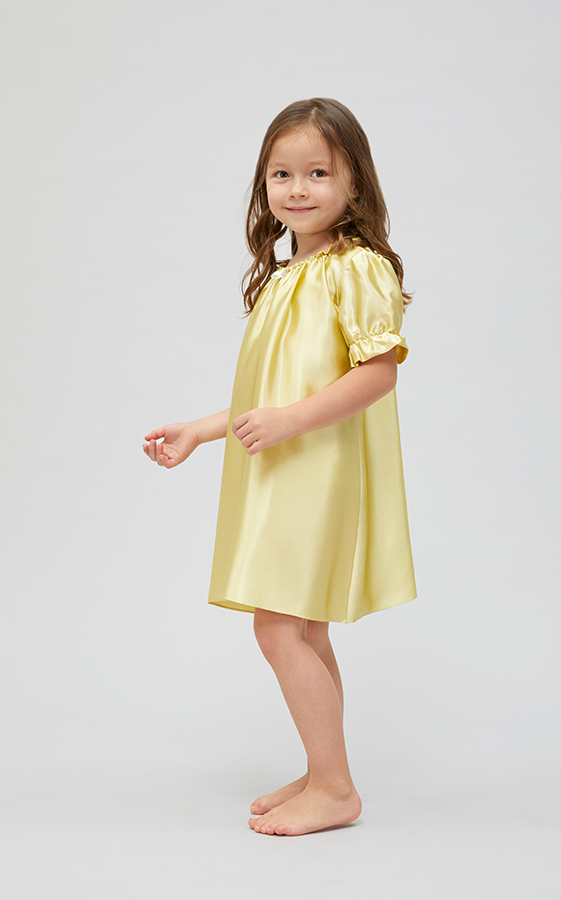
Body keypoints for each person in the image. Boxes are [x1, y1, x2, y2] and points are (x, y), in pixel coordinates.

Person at [142, 98, 417, 836]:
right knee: (306, 630)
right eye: (282, 174)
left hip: (316, 471)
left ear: (355, 184)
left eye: (318, 173)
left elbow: (379, 373)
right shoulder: (283, 276)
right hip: (282, 470)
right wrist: (203, 431)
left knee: (276, 628)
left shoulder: (355, 269)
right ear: (264, 184)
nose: (298, 189)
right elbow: (266, 396)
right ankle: (325, 768)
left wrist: (292, 422)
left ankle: (335, 788)